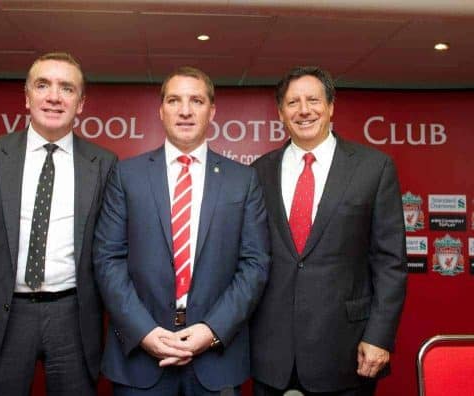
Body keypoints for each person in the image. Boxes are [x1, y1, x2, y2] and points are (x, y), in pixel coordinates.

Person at [93, 66, 270, 395]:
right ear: (161, 111)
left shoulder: (242, 181)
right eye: (174, 100)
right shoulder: (126, 176)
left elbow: (255, 264)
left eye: (196, 101)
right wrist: (144, 331)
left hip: (216, 358)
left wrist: (212, 330)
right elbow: (107, 259)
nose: (185, 110)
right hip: (140, 358)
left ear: (212, 111)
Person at [0, 52, 117, 395]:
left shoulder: (103, 163)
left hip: (73, 316)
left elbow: (106, 246)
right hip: (6, 314)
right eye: (43, 85)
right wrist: (2, 279)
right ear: (27, 96)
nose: (54, 97)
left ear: (81, 102)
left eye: (67, 88)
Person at [250, 66, 407, 396]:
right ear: (280, 112)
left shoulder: (373, 168)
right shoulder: (258, 172)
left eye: (313, 100)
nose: (304, 110)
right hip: (271, 353)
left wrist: (379, 336)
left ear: (331, 106)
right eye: (293, 102)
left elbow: (390, 263)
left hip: (346, 350)